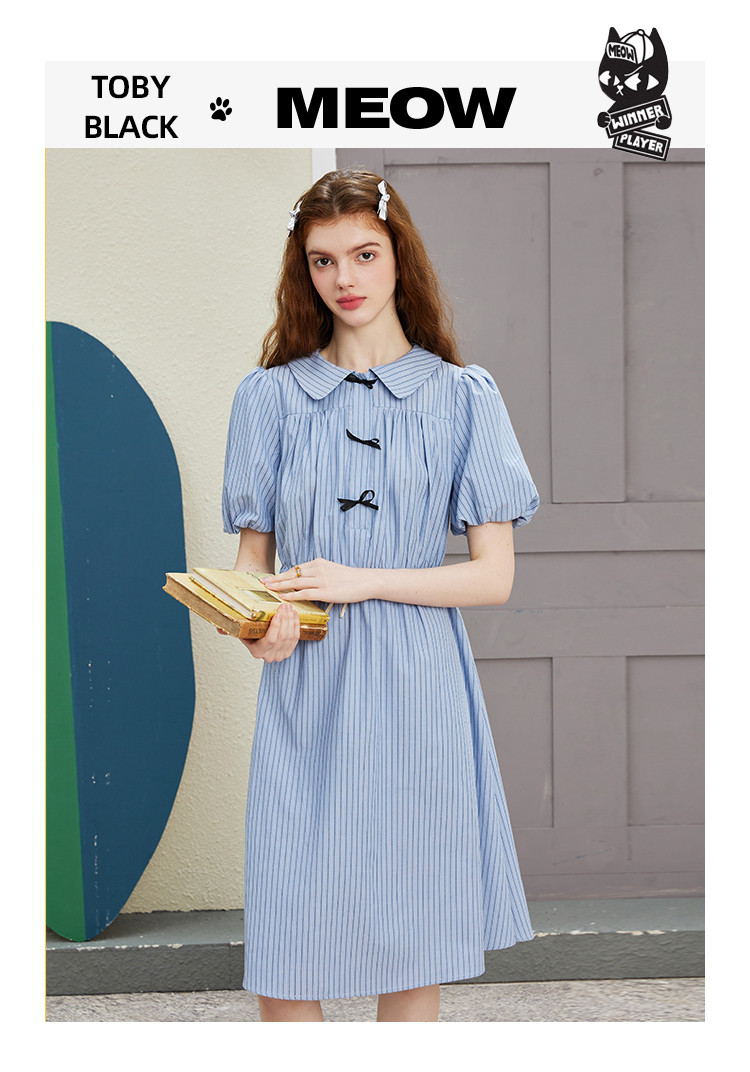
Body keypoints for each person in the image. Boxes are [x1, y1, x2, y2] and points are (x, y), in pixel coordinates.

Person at [221, 168, 540, 1022]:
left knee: (410, 950)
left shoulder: (464, 399)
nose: (345, 279)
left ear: (401, 257)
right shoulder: (269, 398)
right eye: (323, 261)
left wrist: (361, 581)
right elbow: (251, 564)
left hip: (418, 688)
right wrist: (255, 626)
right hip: (307, 685)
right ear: (304, 271)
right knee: (288, 960)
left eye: (364, 254)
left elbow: (493, 577)